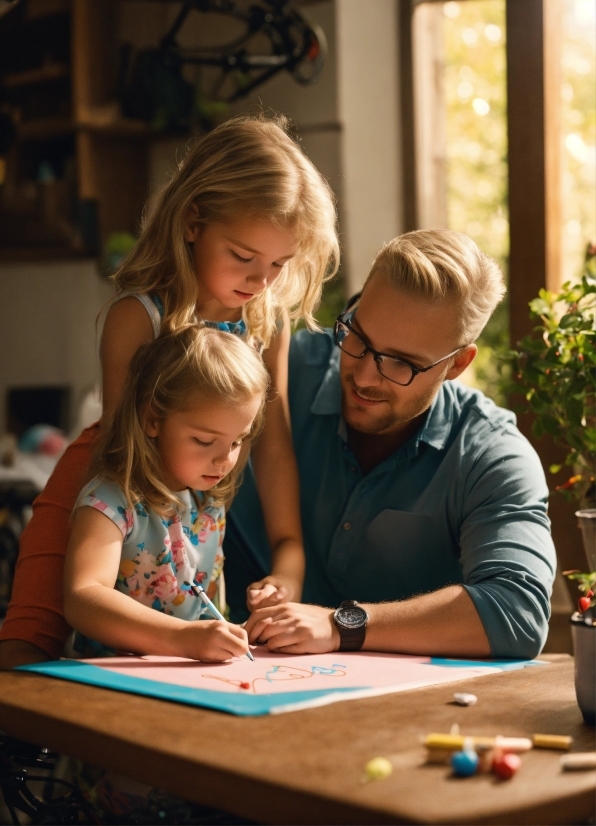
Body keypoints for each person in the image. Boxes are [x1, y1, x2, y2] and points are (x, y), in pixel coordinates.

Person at [0, 114, 339, 669]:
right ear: (191, 223)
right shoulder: (139, 318)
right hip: (101, 482)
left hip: (192, 510)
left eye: (279, 264)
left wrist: (288, 559)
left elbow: (271, 445)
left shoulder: (266, 325)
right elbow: (123, 450)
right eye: (243, 256)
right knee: (25, 653)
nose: (261, 282)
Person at [224, 230, 556, 660]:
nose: (363, 377)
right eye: (358, 338)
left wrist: (341, 624)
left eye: (401, 362)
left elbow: (519, 613)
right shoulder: (271, 373)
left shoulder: (491, 456)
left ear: (457, 363)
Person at [64, 325, 268, 661]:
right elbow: (83, 597)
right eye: (204, 441)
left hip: (196, 679)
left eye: (237, 441)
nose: (224, 459)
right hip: (114, 684)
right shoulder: (111, 501)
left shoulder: (208, 500)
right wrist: (182, 639)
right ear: (153, 420)